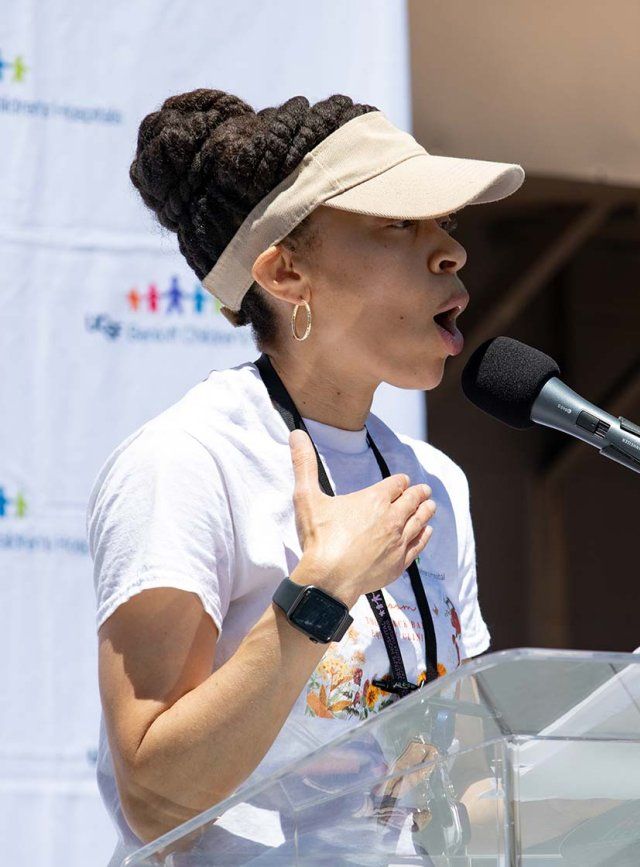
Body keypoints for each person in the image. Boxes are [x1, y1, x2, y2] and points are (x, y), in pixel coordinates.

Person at [88, 88, 525, 865]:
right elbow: (154, 801)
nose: (450, 251)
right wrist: (320, 592)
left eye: (446, 224)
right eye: (400, 222)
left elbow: (468, 790)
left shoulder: (439, 483)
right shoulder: (186, 461)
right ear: (287, 273)